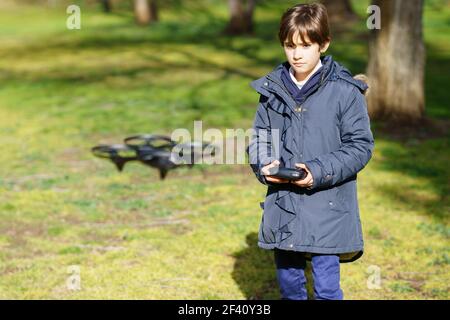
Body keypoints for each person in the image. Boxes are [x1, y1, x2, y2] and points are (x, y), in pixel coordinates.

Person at [247, 3, 374, 300]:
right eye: (289, 45)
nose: (296, 54)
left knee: (327, 290)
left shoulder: (344, 91)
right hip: (283, 205)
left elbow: (360, 146)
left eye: (305, 45)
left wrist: (317, 170)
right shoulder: (272, 91)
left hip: (326, 205)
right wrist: (264, 163)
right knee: (290, 288)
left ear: (324, 44)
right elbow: (260, 138)